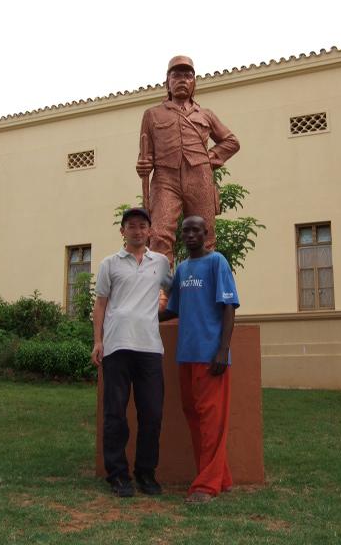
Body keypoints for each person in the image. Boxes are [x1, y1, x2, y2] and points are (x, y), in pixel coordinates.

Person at [91, 207, 171, 497]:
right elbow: (100, 304)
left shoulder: (160, 262)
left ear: (149, 231)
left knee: (152, 413)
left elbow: (172, 290)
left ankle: (145, 473)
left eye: (142, 226)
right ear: (122, 231)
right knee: (115, 413)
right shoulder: (109, 264)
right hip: (117, 346)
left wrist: (164, 306)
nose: (137, 231)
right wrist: (98, 341)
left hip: (150, 348)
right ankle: (117, 474)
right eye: (131, 226)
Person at [160, 215, 239, 503]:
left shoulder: (217, 262)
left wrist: (223, 349)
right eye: (186, 231)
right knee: (194, 417)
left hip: (211, 356)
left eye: (196, 230)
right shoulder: (182, 269)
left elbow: (229, 307)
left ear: (206, 233)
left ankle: (206, 486)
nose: (190, 234)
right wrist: (139, 314)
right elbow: (173, 310)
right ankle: (221, 477)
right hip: (186, 355)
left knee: (212, 421)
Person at [136, 55, 240, 267]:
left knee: (204, 235)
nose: (182, 80)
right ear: (167, 83)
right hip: (165, 179)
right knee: (159, 235)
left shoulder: (206, 115)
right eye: (176, 75)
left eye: (187, 75)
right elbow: (145, 155)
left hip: (200, 177)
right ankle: (161, 286)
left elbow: (231, 142)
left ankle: (203, 283)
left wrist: (209, 159)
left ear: (194, 83)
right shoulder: (152, 114)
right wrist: (143, 165)